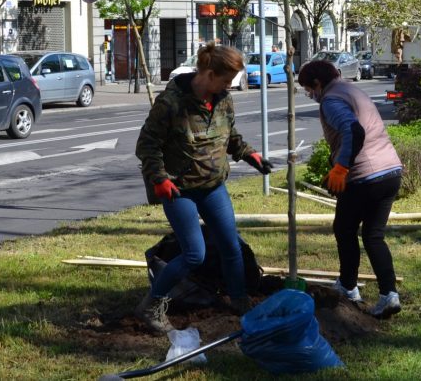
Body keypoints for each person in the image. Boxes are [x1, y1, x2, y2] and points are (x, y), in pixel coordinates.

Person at [134, 43, 273, 334]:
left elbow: (230, 136)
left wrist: (250, 154)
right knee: (194, 253)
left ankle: (238, 299)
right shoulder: (171, 103)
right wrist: (159, 178)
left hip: (213, 186)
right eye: (225, 80)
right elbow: (147, 145)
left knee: (230, 246)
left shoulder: (222, 99)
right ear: (209, 74)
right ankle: (151, 305)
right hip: (179, 189)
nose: (229, 86)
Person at [297, 60, 404, 318]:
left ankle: (347, 287)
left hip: (365, 177)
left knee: (344, 229)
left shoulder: (331, 100)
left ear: (317, 83)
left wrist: (341, 168)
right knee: (373, 235)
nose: (310, 95)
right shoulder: (351, 90)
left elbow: (353, 130)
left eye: (308, 89)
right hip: (390, 171)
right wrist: (336, 163)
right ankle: (389, 295)